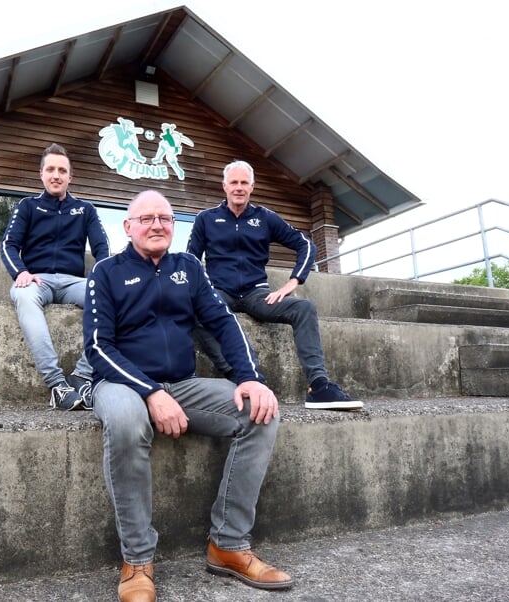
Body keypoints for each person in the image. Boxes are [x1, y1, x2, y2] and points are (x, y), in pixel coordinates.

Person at [84, 190, 292, 602]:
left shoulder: (189, 270)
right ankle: (138, 559)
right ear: (128, 227)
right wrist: (149, 393)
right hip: (120, 383)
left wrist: (250, 378)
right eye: (146, 218)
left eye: (164, 217)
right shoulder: (105, 272)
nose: (157, 224)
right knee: (127, 422)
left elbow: (223, 322)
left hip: (181, 383)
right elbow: (98, 347)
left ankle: (228, 545)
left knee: (259, 410)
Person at [187, 160, 364, 411]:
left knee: (303, 308)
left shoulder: (265, 217)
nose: (239, 187)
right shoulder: (206, 219)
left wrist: (293, 281)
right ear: (224, 186)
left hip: (256, 294)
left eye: (244, 183)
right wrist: (199, 291)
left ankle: (319, 386)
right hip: (220, 292)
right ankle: (238, 375)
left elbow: (305, 244)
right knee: (194, 309)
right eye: (234, 182)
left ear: (252, 186)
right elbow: (191, 259)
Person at [0, 143, 110, 410]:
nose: (56, 175)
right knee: (24, 296)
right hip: (36, 280)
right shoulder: (28, 206)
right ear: (42, 174)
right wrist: (21, 272)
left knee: (116, 298)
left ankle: (82, 374)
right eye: (51, 169)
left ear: (70, 177)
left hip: (74, 282)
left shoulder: (85, 209)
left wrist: (102, 278)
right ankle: (57, 385)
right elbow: (8, 244)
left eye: (62, 170)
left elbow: (103, 249)